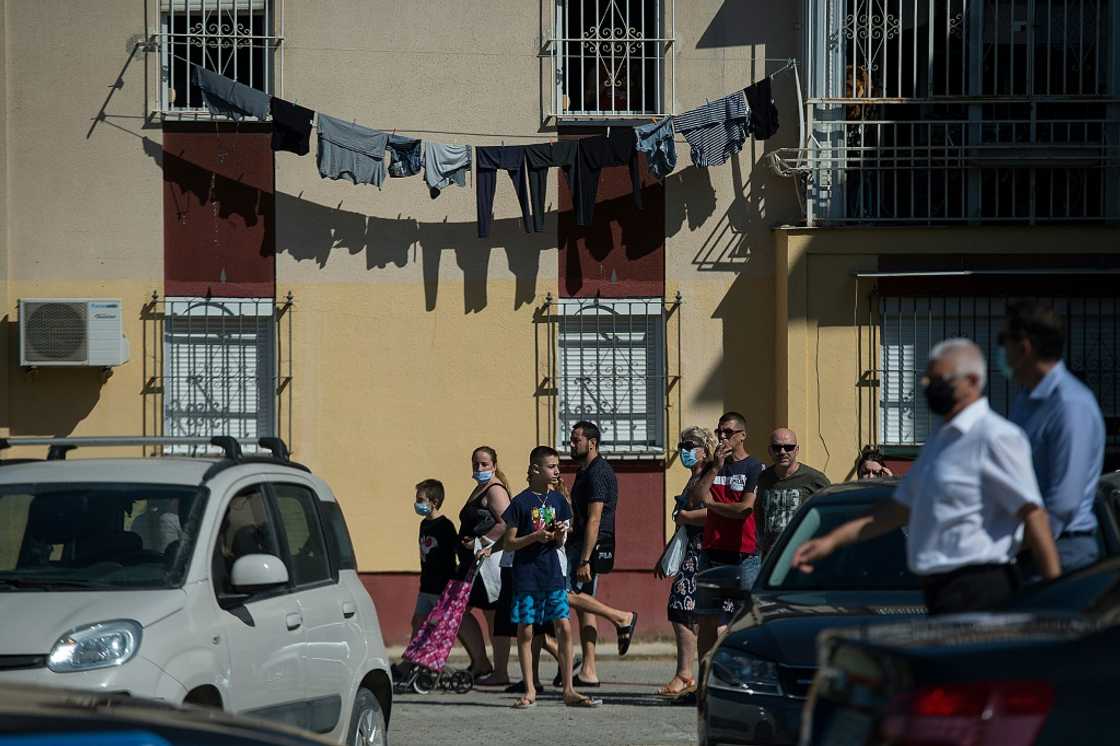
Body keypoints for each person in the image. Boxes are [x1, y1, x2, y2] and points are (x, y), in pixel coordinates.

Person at [793, 338, 1062, 615]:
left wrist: (1055, 601)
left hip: (981, 589)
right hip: (940, 591)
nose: (929, 387)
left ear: (971, 380)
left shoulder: (996, 437)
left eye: (939, 379)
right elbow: (898, 510)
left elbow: (1034, 515)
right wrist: (831, 541)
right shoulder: (939, 439)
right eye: (927, 380)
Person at [1000, 299, 1106, 573]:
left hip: (1062, 553)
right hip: (1026, 550)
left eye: (1004, 341)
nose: (1002, 351)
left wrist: (1004, 545)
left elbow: (1062, 505)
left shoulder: (1070, 405)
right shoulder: (1026, 398)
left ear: (1024, 347)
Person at [501, 445, 600, 709]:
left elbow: (562, 538)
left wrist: (557, 535)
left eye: (557, 466)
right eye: (551, 466)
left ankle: (568, 688)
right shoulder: (520, 502)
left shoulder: (558, 501)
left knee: (565, 626)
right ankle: (530, 688)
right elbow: (509, 542)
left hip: (553, 574)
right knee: (526, 630)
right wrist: (534, 536)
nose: (557, 470)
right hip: (526, 576)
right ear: (535, 469)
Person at [687, 411, 765, 665]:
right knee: (707, 620)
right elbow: (697, 497)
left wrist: (713, 506)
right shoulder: (714, 464)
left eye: (728, 433)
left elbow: (744, 509)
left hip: (744, 555)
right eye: (720, 431)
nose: (722, 437)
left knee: (743, 620)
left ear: (742, 436)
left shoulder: (754, 467)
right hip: (712, 551)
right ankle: (703, 683)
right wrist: (716, 468)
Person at [565, 421, 638, 687]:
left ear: (592, 442)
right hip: (580, 542)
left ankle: (622, 617)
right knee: (585, 606)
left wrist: (584, 559)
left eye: (576, 440)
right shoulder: (584, 471)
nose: (571, 444)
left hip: (590, 546)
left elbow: (595, 519)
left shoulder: (598, 472)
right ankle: (589, 670)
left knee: (565, 595)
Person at [653, 425, 715, 699]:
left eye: (690, 447)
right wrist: (667, 553)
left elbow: (715, 511)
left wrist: (687, 518)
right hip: (691, 551)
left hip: (706, 552)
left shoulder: (711, 476)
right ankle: (689, 675)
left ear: (705, 449)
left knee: (683, 608)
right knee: (685, 611)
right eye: (682, 447)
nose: (684, 452)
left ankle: (687, 675)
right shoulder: (694, 478)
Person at [455, 446, 514, 680]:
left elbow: (507, 523)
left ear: (494, 466)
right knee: (466, 611)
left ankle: (498, 671)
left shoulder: (495, 489)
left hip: (490, 563)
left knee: (493, 615)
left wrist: (482, 543)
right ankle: (483, 663)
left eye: (484, 464)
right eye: (476, 464)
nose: (479, 468)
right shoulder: (480, 488)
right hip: (475, 563)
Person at [392, 479, 458, 680]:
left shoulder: (445, 526)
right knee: (418, 622)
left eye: (421, 499)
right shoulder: (424, 524)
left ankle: (428, 663)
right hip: (426, 585)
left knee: (434, 628)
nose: (417, 503)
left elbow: (452, 555)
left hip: (441, 588)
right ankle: (411, 661)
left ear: (434, 501)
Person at [756, 428, 831, 556]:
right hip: (771, 556)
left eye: (788, 447)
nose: (782, 452)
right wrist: (761, 538)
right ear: (770, 451)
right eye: (776, 447)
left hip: (802, 555)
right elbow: (759, 509)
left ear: (797, 450)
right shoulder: (763, 478)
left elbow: (830, 511)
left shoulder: (814, 478)